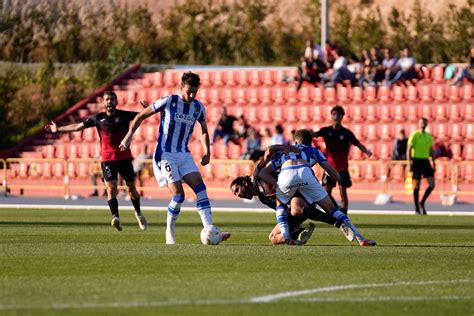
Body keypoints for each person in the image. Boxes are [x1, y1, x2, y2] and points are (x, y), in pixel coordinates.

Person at [119, 71, 231, 244]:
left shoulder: (198, 107)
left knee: (201, 189)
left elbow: (203, 131)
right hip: (165, 154)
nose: (192, 95)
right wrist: (128, 137)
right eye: (189, 91)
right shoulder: (169, 100)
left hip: (184, 154)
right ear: (181, 87)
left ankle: (210, 229)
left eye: (195, 91)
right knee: (179, 196)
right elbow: (141, 115)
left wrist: (207, 152)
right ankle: (169, 232)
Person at [44, 91, 148, 231]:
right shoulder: (98, 118)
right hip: (107, 160)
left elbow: (142, 116)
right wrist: (58, 129)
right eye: (107, 99)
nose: (109, 101)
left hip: (124, 158)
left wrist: (148, 108)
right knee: (111, 188)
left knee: (131, 190)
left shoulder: (124, 115)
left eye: (112, 99)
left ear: (116, 101)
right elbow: (76, 127)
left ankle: (138, 212)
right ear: (103, 103)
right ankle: (115, 217)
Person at [258, 129, 376, 246]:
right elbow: (334, 174)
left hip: (287, 174)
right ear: (310, 142)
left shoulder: (284, 152)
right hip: (305, 173)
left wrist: (279, 185)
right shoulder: (314, 150)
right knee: (332, 209)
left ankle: (288, 237)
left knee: (281, 205)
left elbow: (263, 173)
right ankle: (361, 239)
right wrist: (336, 176)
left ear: (295, 142)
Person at [230, 166, 356, 245]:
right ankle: (297, 238)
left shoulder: (262, 180)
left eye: (236, 190)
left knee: (295, 210)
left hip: (300, 194)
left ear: (244, 183)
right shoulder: (262, 196)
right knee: (274, 238)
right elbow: (280, 210)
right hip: (293, 206)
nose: (237, 195)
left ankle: (339, 223)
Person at [312, 105, 373, 215]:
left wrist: (366, 151)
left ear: (342, 116)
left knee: (343, 191)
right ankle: (336, 210)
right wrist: (306, 133)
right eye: (334, 114)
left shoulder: (346, 133)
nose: (336, 116)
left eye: (338, 114)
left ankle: (344, 212)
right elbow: (314, 135)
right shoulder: (326, 131)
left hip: (342, 167)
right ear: (331, 115)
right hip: (329, 167)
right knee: (326, 192)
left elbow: (357, 143)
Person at [407, 118, 436, 215]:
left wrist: (434, 162)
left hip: (425, 161)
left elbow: (431, 150)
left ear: (426, 124)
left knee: (432, 184)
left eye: (424, 123)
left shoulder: (428, 137)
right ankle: (416, 209)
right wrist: (409, 163)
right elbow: (409, 149)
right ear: (418, 124)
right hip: (416, 161)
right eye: (421, 123)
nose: (422, 124)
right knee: (416, 186)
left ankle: (422, 202)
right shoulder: (414, 135)